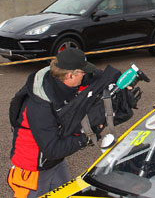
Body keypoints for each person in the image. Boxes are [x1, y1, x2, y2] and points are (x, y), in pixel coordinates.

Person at [7, 48, 96, 198]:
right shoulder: (39, 106)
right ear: (69, 75)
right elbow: (52, 149)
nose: (85, 76)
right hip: (33, 169)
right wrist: (85, 139)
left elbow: (93, 79)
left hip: (54, 162)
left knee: (67, 194)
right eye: (82, 72)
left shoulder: (59, 80)